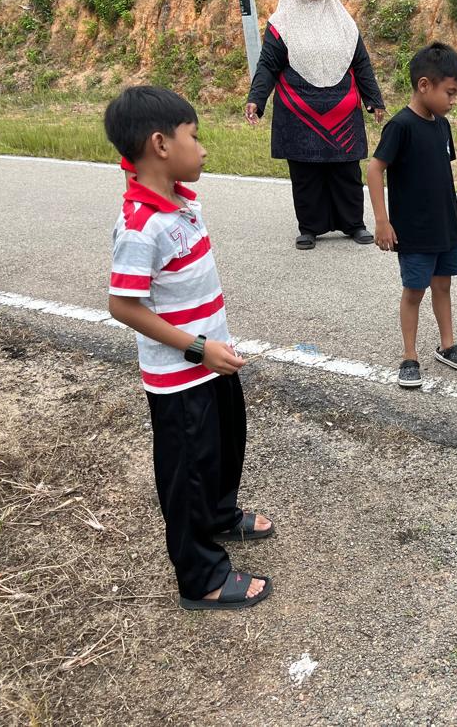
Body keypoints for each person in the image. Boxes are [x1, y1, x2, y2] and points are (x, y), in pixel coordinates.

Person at [104, 86, 273, 611]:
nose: (202, 149)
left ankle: (220, 515)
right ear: (160, 144)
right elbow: (122, 305)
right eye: (194, 137)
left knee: (224, 447)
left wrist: (211, 350)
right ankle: (201, 577)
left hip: (213, 362)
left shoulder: (180, 202)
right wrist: (198, 348)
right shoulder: (141, 226)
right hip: (182, 377)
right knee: (189, 471)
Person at [245, 0, 386, 250]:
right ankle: (309, 228)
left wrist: (374, 99)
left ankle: (354, 224)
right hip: (300, 113)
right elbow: (268, 66)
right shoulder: (281, 23)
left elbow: (361, 63)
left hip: (342, 111)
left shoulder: (343, 21)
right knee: (305, 173)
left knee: (347, 171)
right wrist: (256, 98)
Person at [367, 43, 457, 388]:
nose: (453, 100)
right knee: (414, 291)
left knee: (443, 285)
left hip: (445, 227)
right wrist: (382, 221)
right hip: (414, 230)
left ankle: (448, 345)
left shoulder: (442, 125)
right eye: (450, 92)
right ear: (424, 85)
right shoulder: (400, 126)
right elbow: (374, 169)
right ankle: (409, 356)